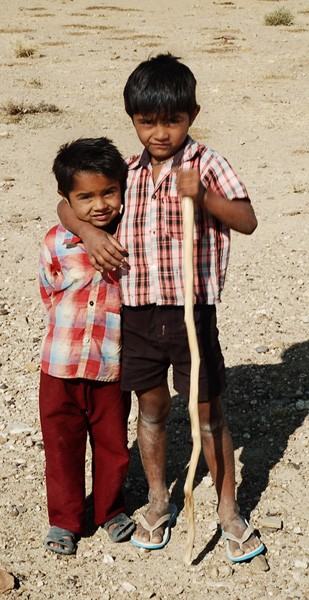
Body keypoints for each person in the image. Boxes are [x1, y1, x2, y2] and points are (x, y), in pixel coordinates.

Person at [58, 54, 264, 562]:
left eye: (171, 120)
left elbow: (247, 219)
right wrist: (86, 230)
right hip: (140, 314)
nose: (160, 132)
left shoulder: (207, 164)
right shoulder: (124, 173)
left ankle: (229, 511)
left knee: (207, 412)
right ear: (132, 119)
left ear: (191, 114)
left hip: (193, 313)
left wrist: (208, 199)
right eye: (146, 122)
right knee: (150, 409)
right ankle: (157, 500)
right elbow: (67, 203)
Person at [39, 137, 135, 556]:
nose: (99, 205)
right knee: (61, 447)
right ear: (67, 199)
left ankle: (110, 509)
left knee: (113, 444)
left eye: (108, 192)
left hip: (111, 366)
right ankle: (64, 520)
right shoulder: (56, 242)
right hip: (59, 365)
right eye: (85, 197)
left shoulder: (130, 237)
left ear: (122, 188)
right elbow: (49, 290)